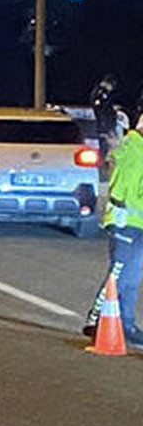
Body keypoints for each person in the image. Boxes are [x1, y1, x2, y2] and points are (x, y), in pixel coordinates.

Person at [83, 114, 143, 347]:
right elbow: (114, 154)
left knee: (132, 277)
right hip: (125, 222)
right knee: (118, 274)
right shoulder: (130, 146)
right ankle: (95, 319)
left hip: (139, 224)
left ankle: (125, 324)